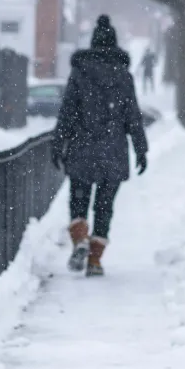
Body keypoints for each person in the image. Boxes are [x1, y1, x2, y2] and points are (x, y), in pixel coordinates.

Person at [51, 15, 148, 277]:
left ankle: (80, 238)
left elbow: (67, 113)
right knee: (105, 207)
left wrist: (58, 143)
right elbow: (133, 117)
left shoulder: (80, 74)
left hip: (82, 148)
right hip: (113, 151)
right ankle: (94, 260)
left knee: (79, 200)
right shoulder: (124, 77)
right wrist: (141, 149)